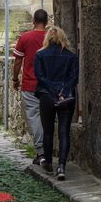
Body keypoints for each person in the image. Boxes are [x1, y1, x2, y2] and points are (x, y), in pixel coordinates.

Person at [34, 26, 78, 180]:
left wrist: (53, 91)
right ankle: (62, 166)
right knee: (64, 132)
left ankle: (48, 163)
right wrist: (63, 91)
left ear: (48, 38)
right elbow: (74, 78)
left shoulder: (40, 55)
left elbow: (40, 77)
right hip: (66, 97)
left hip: (47, 96)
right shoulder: (71, 56)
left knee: (48, 131)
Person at [13, 9, 48, 165]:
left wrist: (15, 78)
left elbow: (18, 61)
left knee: (34, 117)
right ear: (46, 22)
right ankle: (49, 149)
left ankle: (41, 152)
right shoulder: (51, 38)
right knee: (48, 117)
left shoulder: (25, 38)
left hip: (30, 84)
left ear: (33, 21)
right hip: (49, 85)